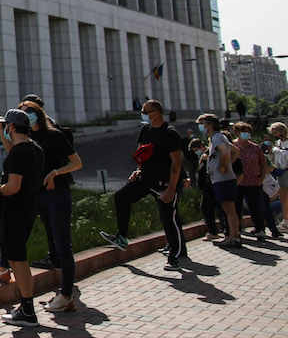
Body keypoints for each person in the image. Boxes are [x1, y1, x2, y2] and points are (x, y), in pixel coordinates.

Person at [99, 100, 185, 269]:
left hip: (164, 183)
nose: (143, 115)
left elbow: (176, 164)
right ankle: (122, 237)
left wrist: (171, 189)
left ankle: (175, 256)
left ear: (157, 113)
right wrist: (138, 170)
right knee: (121, 197)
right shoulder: (146, 130)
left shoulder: (170, 133)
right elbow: (141, 153)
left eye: (146, 112)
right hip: (146, 179)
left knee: (169, 219)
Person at [16, 99, 83, 312]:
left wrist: (55, 173)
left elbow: (76, 163)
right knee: (16, 234)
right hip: (36, 195)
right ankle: (4, 269)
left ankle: (66, 295)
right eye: (22, 112)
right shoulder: (26, 138)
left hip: (57, 194)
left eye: (29, 111)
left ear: (38, 114)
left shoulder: (55, 135)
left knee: (62, 245)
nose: (26, 115)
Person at [0, 108, 46, 327]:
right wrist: (1, 132)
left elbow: (13, 187)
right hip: (29, 207)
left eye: (6, 126)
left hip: (15, 210)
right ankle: (26, 308)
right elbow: (14, 153)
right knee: (17, 258)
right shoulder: (35, 148)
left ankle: (27, 311)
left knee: (17, 260)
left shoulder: (19, 153)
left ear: (11, 127)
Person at [197, 113, 242, 248]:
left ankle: (234, 237)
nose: (201, 127)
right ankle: (233, 236)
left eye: (202, 124)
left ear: (210, 125)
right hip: (222, 179)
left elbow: (225, 152)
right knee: (229, 209)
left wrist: (223, 166)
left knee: (229, 210)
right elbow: (235, 150)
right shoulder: (219, 137)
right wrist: (228, 164)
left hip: (222, 179)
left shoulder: (217, 138)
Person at [231, 121, 278, 238]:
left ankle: (260, 229)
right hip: (238, 182)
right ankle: (237, 229)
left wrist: (261, 179)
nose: (246, 134)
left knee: (256, 206)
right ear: (237, 132)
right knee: (236, 206)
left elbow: (263, 164)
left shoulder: (255, 148)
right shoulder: (232, 147)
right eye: (243, 131)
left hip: (254, 182)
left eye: (248, 132)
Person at [190, 137, 224, 241]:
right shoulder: (203, 157)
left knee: (210, 208)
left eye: (196, 150)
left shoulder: (210, 154)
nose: (196, 152)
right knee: (209, 209)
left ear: (201, 146)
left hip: (211, 186)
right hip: (208, 187)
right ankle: (217, 231)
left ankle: (215, 231)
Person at [270, 121, 288, 233]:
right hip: (280, 172)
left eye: (275, 132)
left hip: (286, 171)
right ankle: (286, 221)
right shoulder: (278, 143)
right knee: (283, 198)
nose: (274, 134)